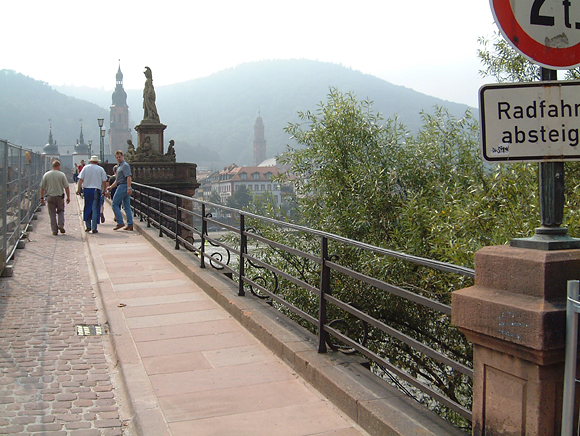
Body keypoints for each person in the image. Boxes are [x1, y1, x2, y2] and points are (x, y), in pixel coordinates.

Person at [76, 156, 107, 234]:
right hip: (96, 190)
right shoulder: (100, 169)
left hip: (87, 190)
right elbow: (104, 181)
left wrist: (78, 189)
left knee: (87, 207)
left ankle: (88, 226)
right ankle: (94, 227)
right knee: (95, 209)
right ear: (97, 162)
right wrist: (104, 190)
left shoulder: (86, 168)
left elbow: (80, 179)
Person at [40, 160, 70, 236]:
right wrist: (68, 197)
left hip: (50, 197)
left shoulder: (46, 175)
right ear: (59, 166)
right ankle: (60, 224)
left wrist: (42, 198)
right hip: (59, 197)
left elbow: (42, 188)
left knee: (52, 213)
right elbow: (66, 187)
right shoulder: (62, 175)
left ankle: (54, 230)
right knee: (61, 211)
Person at [108, 150, 133, 231]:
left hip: (123, 186)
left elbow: (128, 177)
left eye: (120, 157)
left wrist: (129, 188)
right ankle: (130, 224)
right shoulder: (119, 166)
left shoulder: (125, 165)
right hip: (122, 185)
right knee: (126, 206)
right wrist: (111, 187)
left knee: (114, 204)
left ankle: (120, 222)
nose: (118, 158)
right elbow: (117, 180)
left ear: (123, 156)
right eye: (117, 157)